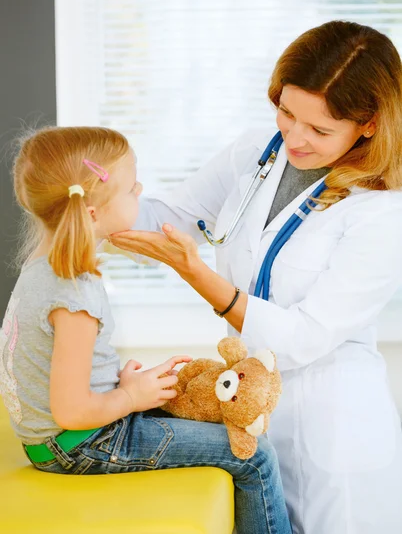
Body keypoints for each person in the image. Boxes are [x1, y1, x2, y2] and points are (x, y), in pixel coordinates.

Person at [107, 20, 402, 534]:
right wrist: (97, 198)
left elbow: (305, 337)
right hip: (249, 417)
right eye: (286, 112)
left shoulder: (384, 212)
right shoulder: (257, 153)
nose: (294, 137)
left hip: (331, 431)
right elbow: (172, 217)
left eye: (320, 129)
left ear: (370, 124)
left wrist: (199, 278)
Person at [0, 126, 292, 534]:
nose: (140, 190)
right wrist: (129, 396)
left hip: (62, 439)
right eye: (130, 187)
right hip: (78, 445)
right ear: (92, 211)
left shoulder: (42, 266)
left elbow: (54, 373)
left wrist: (117, 386)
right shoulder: (74, 293)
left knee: (194, 401)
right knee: (255, 455)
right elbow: (70, 411)